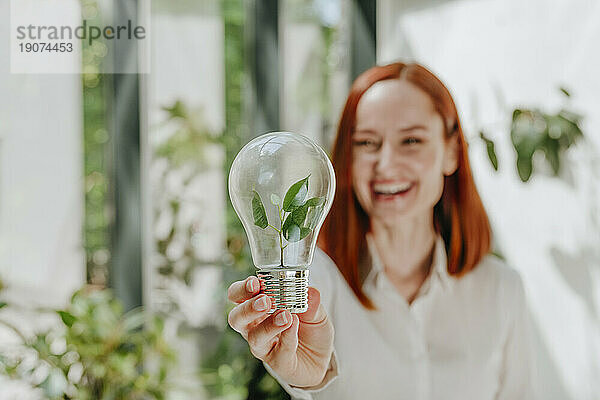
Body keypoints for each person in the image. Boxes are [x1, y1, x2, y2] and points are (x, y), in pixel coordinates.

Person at [227, 62, 535, 399]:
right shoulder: (318, 280)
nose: (386, 165)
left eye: (411, 140)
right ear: (347, 158)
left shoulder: (502, 289)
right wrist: (309, 374)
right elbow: (299, 351)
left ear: (451, 152)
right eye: (367, 143)